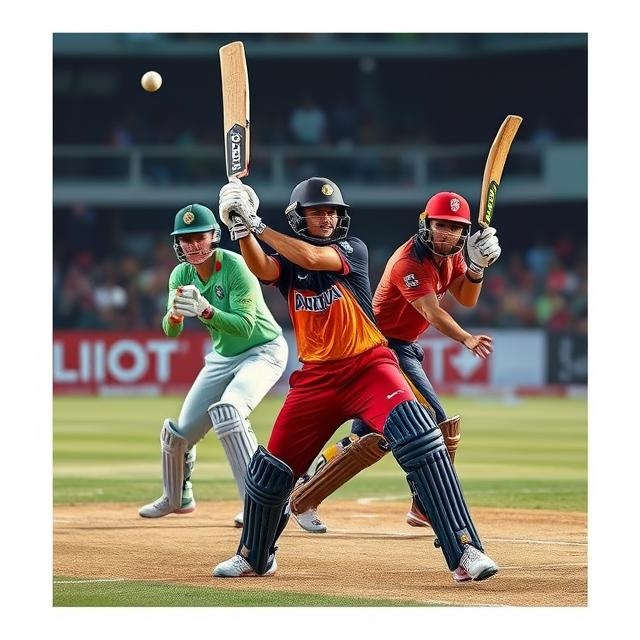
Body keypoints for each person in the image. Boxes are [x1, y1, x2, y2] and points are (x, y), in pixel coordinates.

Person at [211, 178, 498, 583]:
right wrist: (240, 229)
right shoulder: (290, 259)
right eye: (317, 212)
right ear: (300, 217)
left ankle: (465, 550)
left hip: (369, 366)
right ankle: (255, 557)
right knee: (271, 469)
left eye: (332, 212)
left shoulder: (352, 250)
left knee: (421, 438)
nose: (327, 218)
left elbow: (312, 257)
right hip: (316, 379)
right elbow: (263, 267)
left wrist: (256, 224)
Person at [288, 192, 502, 533]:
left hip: (403, 347)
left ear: (464, 234)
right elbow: (432, 313)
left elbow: (467, 297)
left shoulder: (453, 257)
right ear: (426, 224)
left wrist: (475, 268)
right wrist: (466, 338)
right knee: (437, 422)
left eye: (455, 228)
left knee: (371, 440)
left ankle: (302, 497)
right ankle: (427, 505)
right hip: (383, 348)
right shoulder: (409, 262)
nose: (447, 234)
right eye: (441, 225)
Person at [138, 203, 288, 527]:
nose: (192, 245)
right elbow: (171, 331)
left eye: (198, 237)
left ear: (213, 236)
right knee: (179, 435)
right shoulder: (180, 274)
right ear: (177, 243)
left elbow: (246, 326)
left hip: (263, 351)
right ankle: (177, 496)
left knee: (229, 412)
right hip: (223, 357)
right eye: (185, 239)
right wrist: (174, 315)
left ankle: (257, 504)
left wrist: (205, 311)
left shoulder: (236, 267)